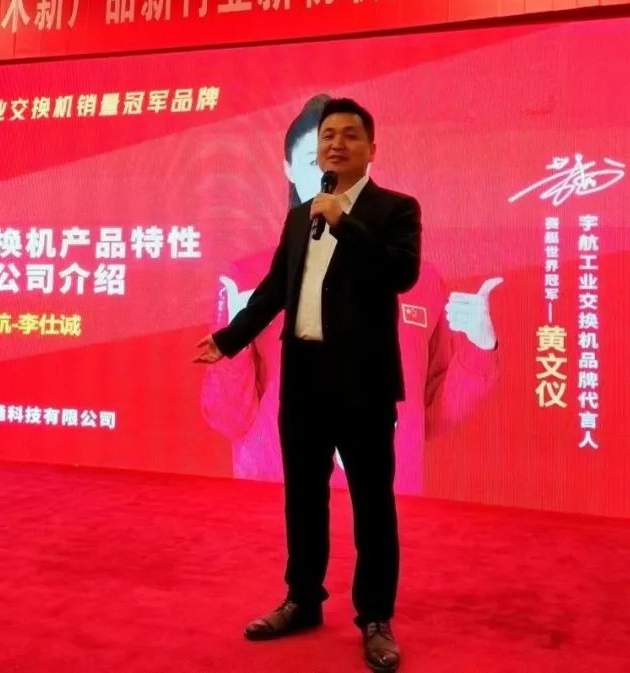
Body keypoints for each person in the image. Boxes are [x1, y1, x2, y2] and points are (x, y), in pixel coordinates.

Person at [194, 98, 493, 672]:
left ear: (371, 149)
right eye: (328, 135)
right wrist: (230, 339)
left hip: (365, 387)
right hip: (303, 383)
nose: (336, 144)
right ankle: (302, 599)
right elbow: (275, 291)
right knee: (303, 501)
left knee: (372, 506)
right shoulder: (298, 217)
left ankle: (375, 617)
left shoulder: (395, 209)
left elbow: (399, 272)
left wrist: (343, 222)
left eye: (349, 135)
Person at [199, 95, 501, 499]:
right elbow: (228, 419)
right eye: (314, 162)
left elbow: (430, 417)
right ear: (289, 169)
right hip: (277, 502)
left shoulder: (419, 280)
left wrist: (479, 347)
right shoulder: (248, 280)